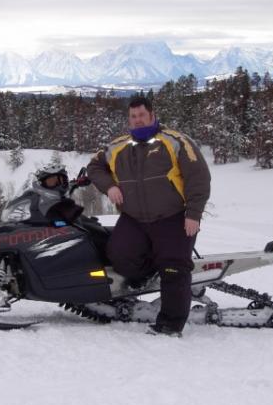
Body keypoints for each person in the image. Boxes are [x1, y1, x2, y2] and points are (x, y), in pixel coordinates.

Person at [87, 97, 211, 337]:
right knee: (119, 257)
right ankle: (154, 272)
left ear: (152, 115)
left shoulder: (176, 141)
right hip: (134, 218)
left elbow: (199, 177)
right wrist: (109, 187)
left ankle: (170, 325)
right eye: (133, 116)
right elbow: (94, 166)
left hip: (172, 217)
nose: (137, 120)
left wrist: (193, 214)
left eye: (142, 115)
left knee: (175, 268)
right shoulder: (118, 146)